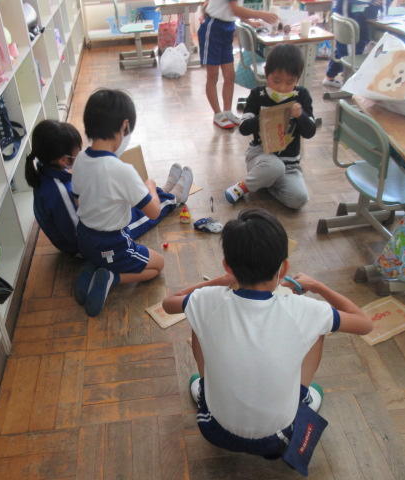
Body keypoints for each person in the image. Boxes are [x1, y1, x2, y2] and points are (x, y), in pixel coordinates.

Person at [162, 208, 372, 468]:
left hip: (213, 429)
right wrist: (318, 286)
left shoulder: (205, 300)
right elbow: (365, 324)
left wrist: (221, 281)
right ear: (284, 268)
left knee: (197, 319)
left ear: (227, 266)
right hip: (277, 440)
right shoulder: (307, 310)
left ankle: (205, 387)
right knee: (317, 330)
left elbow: (169, 304)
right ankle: (303, 397)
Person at [73, 89, 194, 317]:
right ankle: (113, 277)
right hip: (112, 243)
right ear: (125, 126)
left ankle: (93, 266)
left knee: (103, 249)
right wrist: (150, 186)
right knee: (158, 266)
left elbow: (78, 198)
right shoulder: (122, 170)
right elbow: (153, 212)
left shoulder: (80, 159)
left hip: (84, 238)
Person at [25, 119, 179, 257]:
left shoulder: (47, 171)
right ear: (64, 160)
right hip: (90, 244)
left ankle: (161, 192)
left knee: (124, 198)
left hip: (87, 228)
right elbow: (76, 233)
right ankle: (173, 198)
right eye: (77, 153)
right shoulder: (58, 192)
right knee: (137, 211)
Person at [225, 44, 316, 209]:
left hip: (290, 165)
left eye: (290, 82)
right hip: (261, 158)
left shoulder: (302, 95)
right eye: (276, 80)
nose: (282, 87)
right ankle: (243, 187)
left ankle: (265, 183)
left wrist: (300, 115)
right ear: (266, 73)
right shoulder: (257, 95)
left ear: (297, 79)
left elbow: (310, 132)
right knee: (274, 167)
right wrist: (263, 118)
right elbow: (243, 128)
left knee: (299, 199)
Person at [198, 0, 278, 129]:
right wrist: (262, 15)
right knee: (213, 76)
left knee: (230, 76)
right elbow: (235, 9)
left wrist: (249, 21)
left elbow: (233, 10)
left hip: (227, 28)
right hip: (213, 28)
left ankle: (227, 112)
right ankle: (218, 114)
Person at [323, 0, 383, 88]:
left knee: (343, 50)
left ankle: (331, 77)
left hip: (356, 17)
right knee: (349, 52)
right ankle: (349, 84)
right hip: (348, 17)